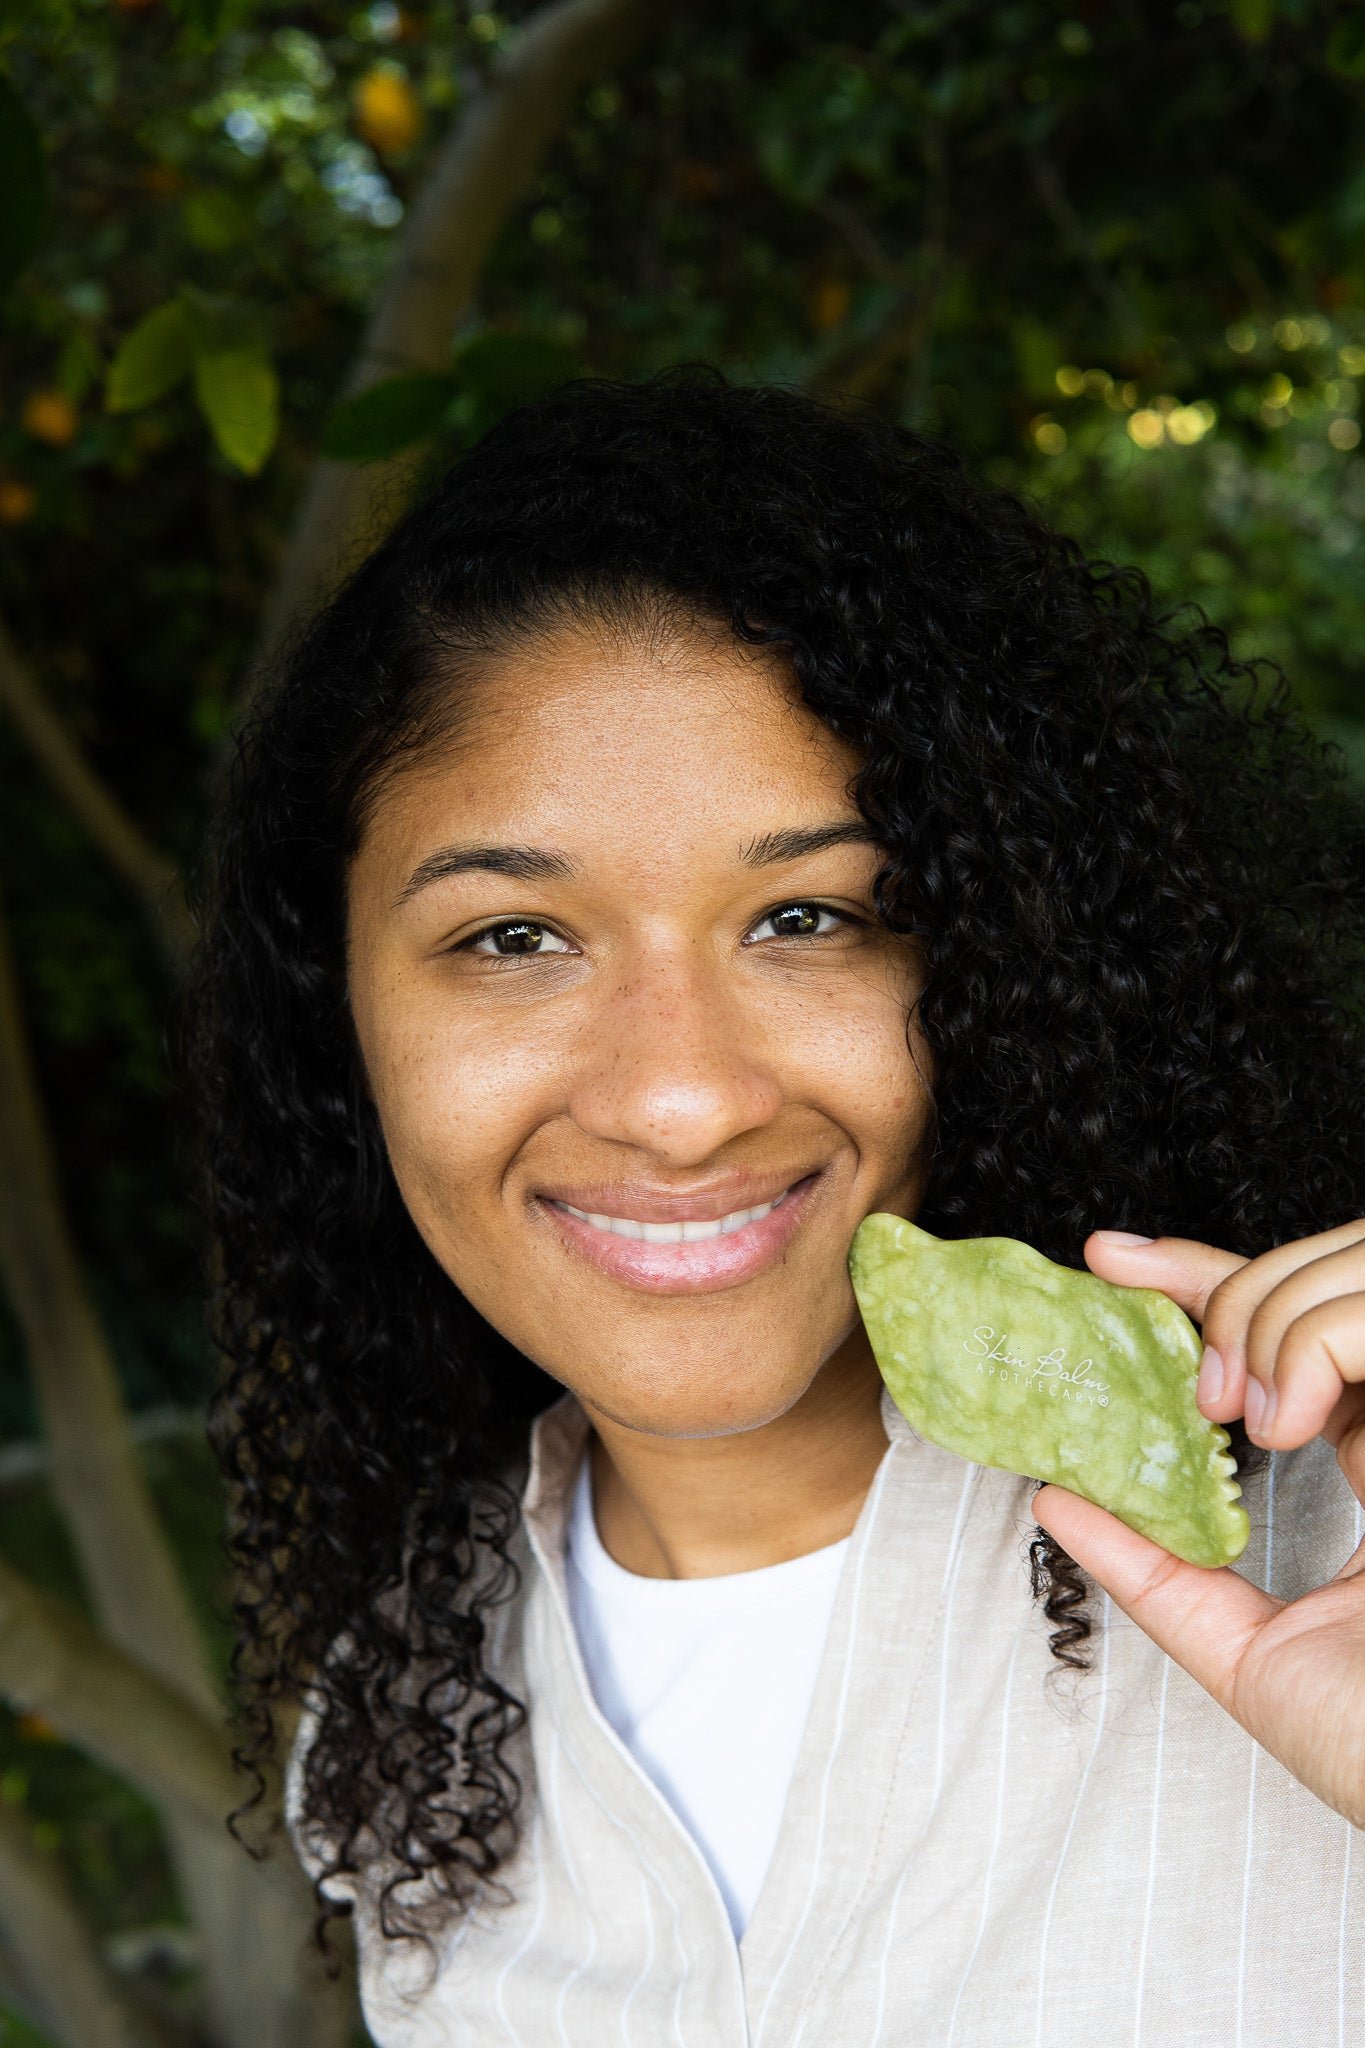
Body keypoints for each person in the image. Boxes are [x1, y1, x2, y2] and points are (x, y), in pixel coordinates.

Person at [191, 374, 1365, 2047]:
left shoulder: (1331, 1545)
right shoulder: (396, 1733)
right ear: (343, 1016)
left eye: (807, 914)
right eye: (513, 939)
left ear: (996, 957)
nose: (678, 1097)